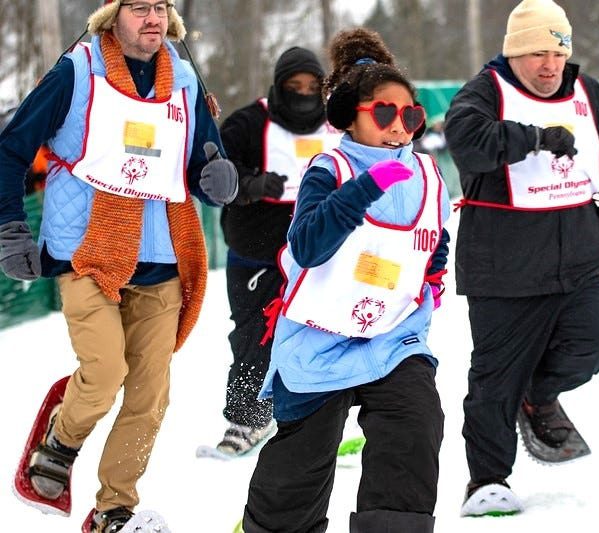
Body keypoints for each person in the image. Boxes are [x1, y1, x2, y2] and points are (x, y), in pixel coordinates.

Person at [0, 1, 237, 531]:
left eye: (160, 7)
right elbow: (11, 150)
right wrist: (11, 227)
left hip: (162, 256)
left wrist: (216, 180)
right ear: (112, 15)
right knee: (106, 372)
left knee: (151, 395)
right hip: (87, 250)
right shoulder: (77, 71)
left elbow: (202, 161)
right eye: (138, 8)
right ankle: (61, 440)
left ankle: (114, 507)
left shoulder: (184, 79)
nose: (151, 18)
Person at [241, 28, 450, 533]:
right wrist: (361, 191)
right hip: (319, 336)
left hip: (391, 335)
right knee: (304, 458)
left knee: (416, 422)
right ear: (350, 116)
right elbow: (308, 245)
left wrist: (433, 280)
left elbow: (436, 242)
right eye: (383, 113)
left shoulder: (427, 172)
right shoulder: (329, 168)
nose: (399, 127)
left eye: (411, 116)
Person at [444, 0, 599, 516]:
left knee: (596, 339)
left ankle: (538, 393)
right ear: (514, 53)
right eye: (535, 53)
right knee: (493, 380)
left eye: (557, 52)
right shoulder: (485, 92)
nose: (549, 65)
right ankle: (487, 480)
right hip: (503, 266)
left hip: (578, 256)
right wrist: (532, 138)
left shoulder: (585, 91)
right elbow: (467, 144)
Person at [214, 47, 341, 457]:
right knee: (254, 335)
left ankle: (323, 416)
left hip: (321, 256)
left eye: (311, 87)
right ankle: (247, 417)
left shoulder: (338, 123)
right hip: (257, 252)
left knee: (324, 333)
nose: (304, 94)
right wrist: (250, 185)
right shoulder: (248, 123)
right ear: (279, 86)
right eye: (294, 87)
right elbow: (214, 174)